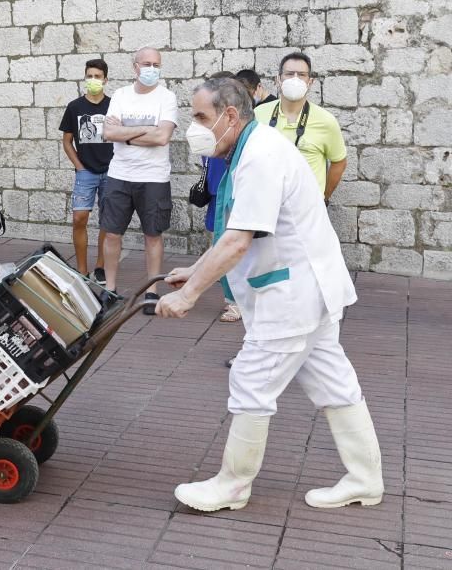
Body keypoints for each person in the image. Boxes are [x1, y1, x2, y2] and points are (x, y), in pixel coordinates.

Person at [157, 77, 383, 513]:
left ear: (229, 116)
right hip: (307, 287)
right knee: (333, 381)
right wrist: (195, 271)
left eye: (201, 117)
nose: (194, 127)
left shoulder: (260, 156)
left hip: (293, 293)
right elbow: (237, 231)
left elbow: (239, 239)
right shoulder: (255, 147)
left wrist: (189, 296)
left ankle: (233, 485)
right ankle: (365, 478)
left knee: (251, 380)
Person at [101, 47, 178, 314]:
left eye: (156, 64)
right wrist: (145, 130)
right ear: (135, 66)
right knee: (111, 233)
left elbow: (162, 137)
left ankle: (151, 291)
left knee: (153, 235)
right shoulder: (121, 96)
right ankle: (109, 289)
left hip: (154, 177)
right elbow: (108, 132)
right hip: (119, 175)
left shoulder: (167, 97)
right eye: (146, 63)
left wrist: (127, 134)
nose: (151, 69)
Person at [254, 52, 347, 203]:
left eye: (302, 75)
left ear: (310, 82)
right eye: (289, 74)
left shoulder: (326, 121)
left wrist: (323, 197)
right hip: (265, 205)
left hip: (307, 210)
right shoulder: (258, 114)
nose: (295, 79)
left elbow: (339, 163)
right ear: (278, 80)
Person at [60, 59, 112, 284]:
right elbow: (67, 140)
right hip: (86, 172)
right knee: (79, 218)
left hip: (111, 171)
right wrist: (79, 166)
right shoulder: (75, 107)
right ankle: (82, 269)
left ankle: (100, 267)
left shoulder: (114, 105)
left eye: (97, 76)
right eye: (89, 76)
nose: (93, 80)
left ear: (105, 80)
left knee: (107, 222)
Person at [201, 71, 241, 327]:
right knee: (216, 241)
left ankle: (235, 301)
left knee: (231, 245)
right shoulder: (211, 121)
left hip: (235, 193)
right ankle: (230, 296)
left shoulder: (238, 121)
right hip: (217, 190)